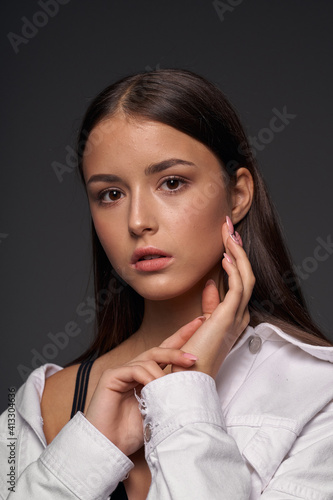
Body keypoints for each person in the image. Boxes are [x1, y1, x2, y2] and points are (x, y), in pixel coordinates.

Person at [0, 69, 332, 500]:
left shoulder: (318, 393)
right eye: (111, 194)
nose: (138, 221)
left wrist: (185, 395)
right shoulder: (37, 405)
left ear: (238, 194)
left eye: (172, 183)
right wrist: (87, 454)